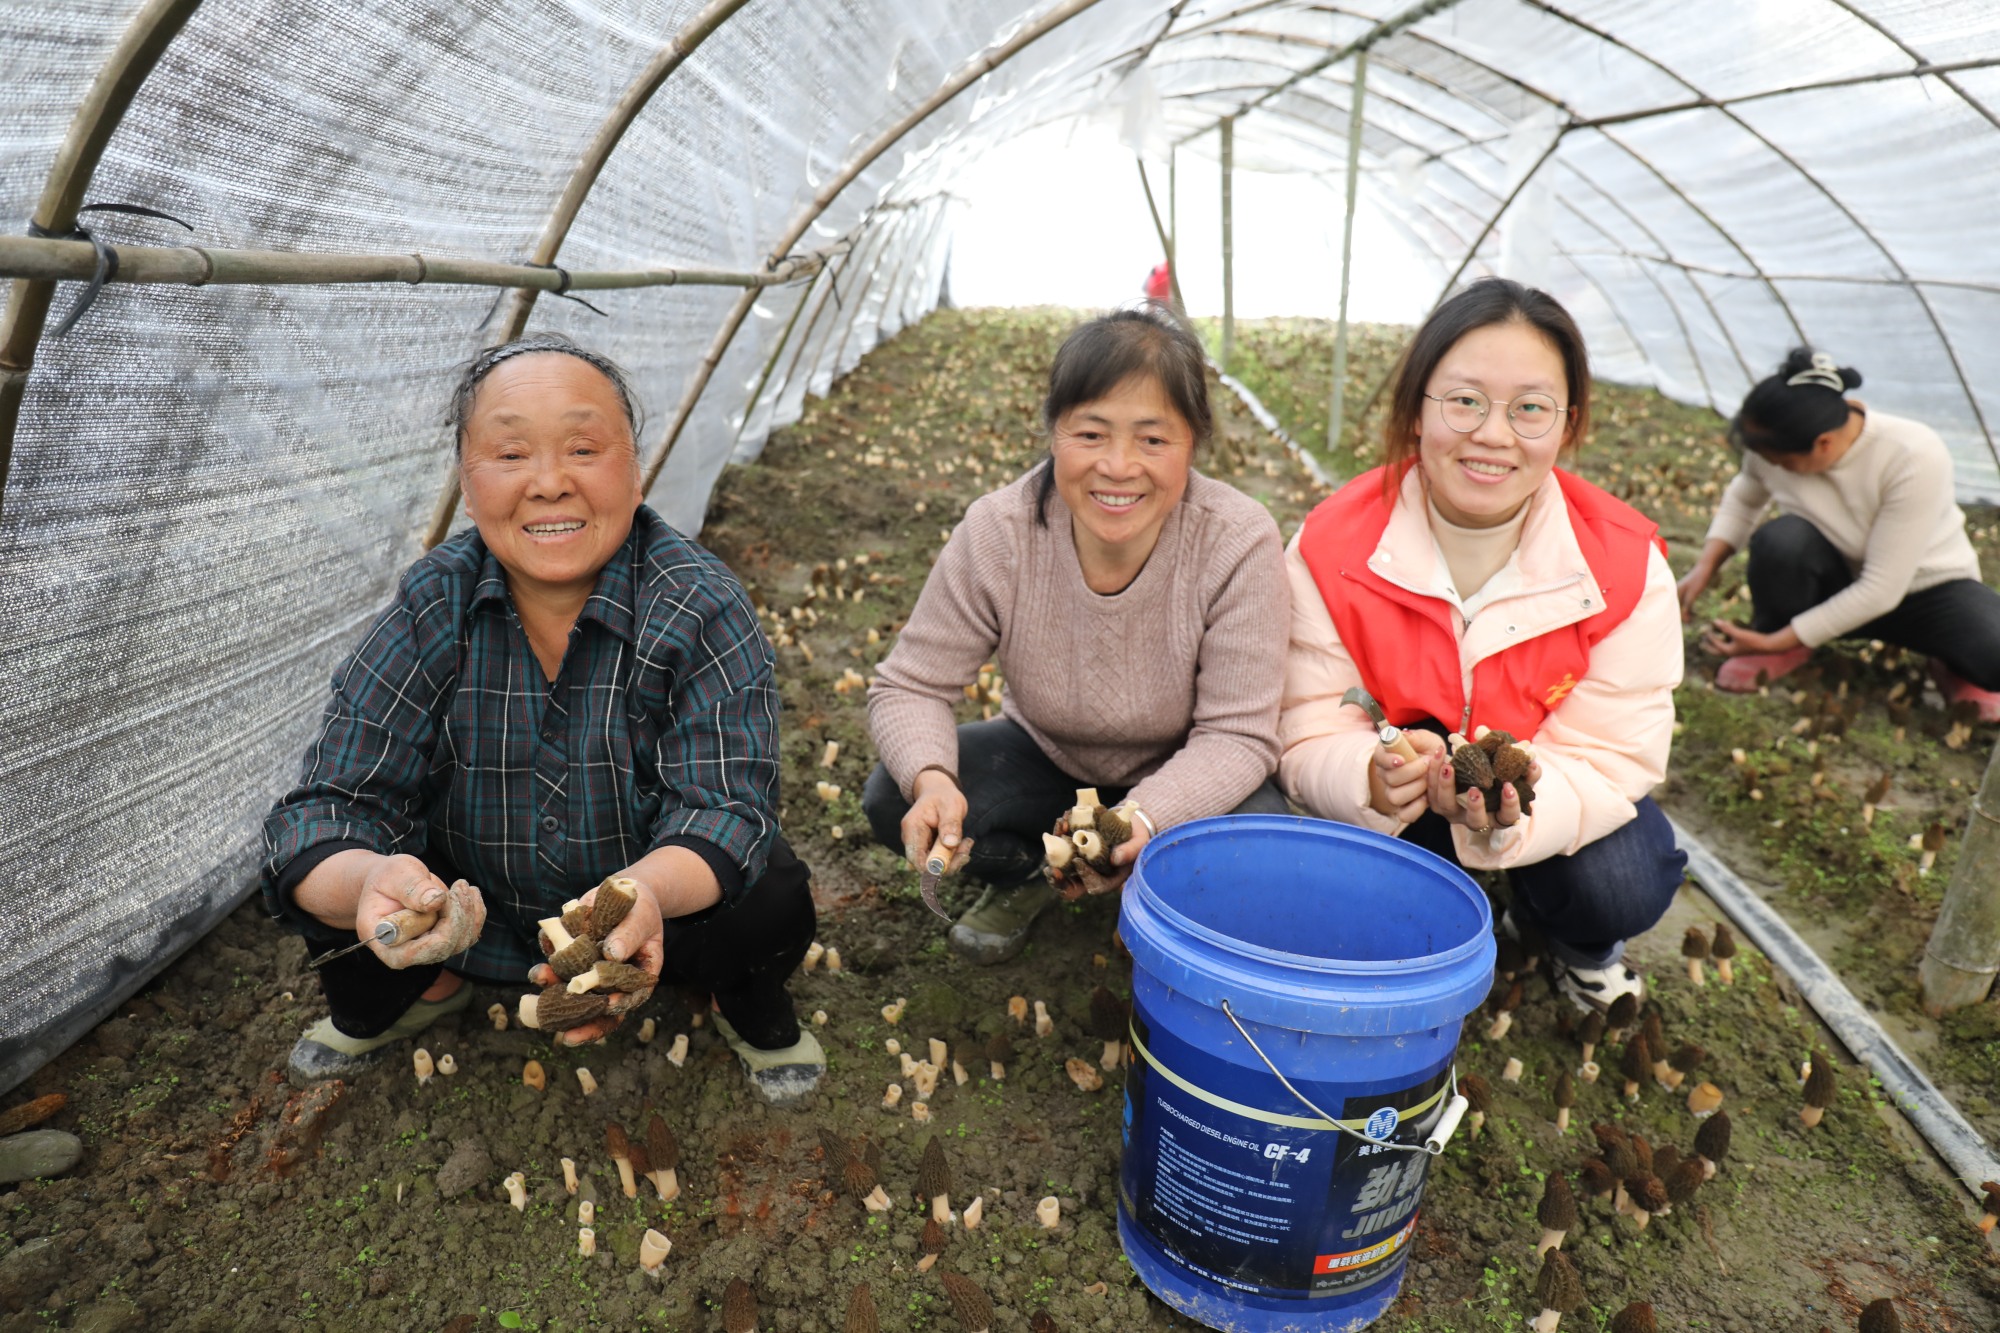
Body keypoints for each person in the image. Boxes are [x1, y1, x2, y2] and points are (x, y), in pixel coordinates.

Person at [263, 332, 822, 1105]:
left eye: (584, 448)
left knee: (769, 894)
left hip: (647, 920)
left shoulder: (698, 604)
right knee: (336, 880)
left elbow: (726, 807)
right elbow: (328, 804)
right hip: (470, 909)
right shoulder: (436, 602)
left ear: (635, 468)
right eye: (511, 453)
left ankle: (741, 998)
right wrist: (372, 883)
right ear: (467, 479)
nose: (550, 482)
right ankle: (427, 984)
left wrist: (642, 897)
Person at [1279, 278, 1686, 1012]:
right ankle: (1452, 904)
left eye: (1530, 408)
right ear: (1415, 411)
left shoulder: (1623, 566)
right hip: (1401, 793)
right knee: (1377, 906)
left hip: (1540, 786)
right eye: (1464, 400)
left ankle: (1571, 939)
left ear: (1569, 424)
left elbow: (1611, 753)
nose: (1493, 434)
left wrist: (1514, 804)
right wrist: (1368, 777)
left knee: (1620, 881)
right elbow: (1308, 715)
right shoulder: (1331, 543)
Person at [862, 307, 1290, 964]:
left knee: (1266, 834)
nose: (1118, 467)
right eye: (1091, 433)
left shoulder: (1236, 539)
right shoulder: (1000, 532)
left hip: (1185, 766)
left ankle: (1156, 892)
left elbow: (1238, 734)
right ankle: (1030, 875)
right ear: (1054, 432)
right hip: (1050, 755)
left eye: (1153, 440)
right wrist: (932, 779)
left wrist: (1142, 817)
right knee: (893, 791)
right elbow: (910, 684)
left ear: (1193, 443)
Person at [1676, 348, 2000, 717]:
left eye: (1782, 462)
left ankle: (1952, 664)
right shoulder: (1773, 443)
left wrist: (1766, 643)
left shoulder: (1913, 453)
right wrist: (1706, 566)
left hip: (1925, 591)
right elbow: (1744, 499)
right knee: (1783, 541)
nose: (1773, 466)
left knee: (1993, 650)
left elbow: (1882, 588)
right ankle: (1789, 642)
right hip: (1833, 577)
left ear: (1823, 444)